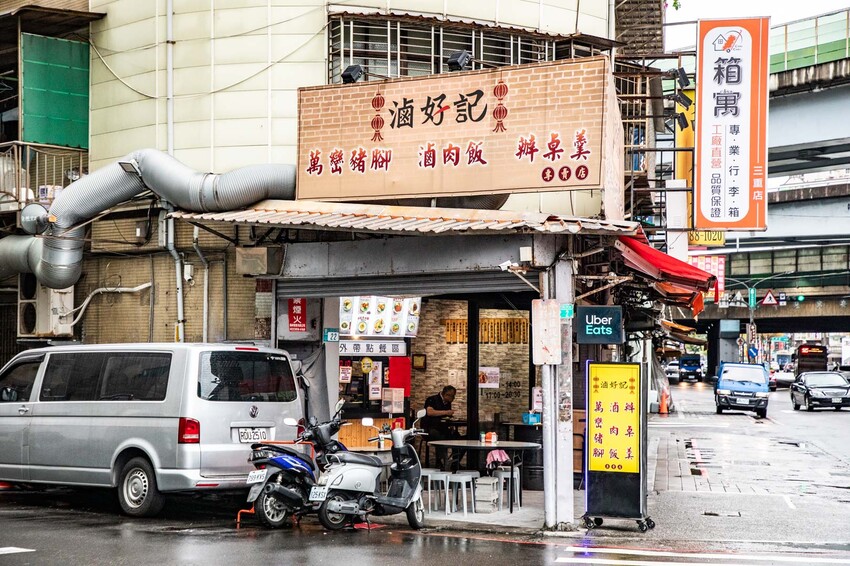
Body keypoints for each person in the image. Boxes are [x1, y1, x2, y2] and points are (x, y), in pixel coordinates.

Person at [422, 385, 460, 470]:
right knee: (439, 436)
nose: (453, 398)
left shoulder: (447, 403)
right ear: (446, 394)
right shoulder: (432, 399)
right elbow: (429, 412)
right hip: (430, 429)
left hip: (442, 428)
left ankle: (456, 462)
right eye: (453, 396)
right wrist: (446, 412)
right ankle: (440, 461)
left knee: (457, 437)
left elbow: (446, 417)